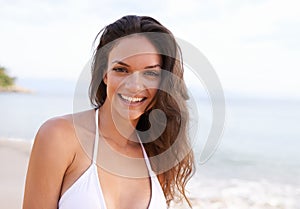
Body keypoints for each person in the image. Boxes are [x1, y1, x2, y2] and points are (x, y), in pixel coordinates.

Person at [23, 15, 195, 209]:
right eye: (121, 69)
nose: (134, 86)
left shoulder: (157, 153)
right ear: (104, 73)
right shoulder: (60, 136)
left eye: (150, 73)